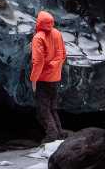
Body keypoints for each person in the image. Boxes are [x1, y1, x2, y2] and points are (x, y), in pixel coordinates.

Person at [30, 10, 66, 142]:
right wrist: (55, 69)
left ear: (39, 22)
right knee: (52, 108)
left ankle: (52, 135)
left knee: (43, 111)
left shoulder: (38, 38)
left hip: (43, 79)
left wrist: (34, 80)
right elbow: (63, 55)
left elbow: (38, 62)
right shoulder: (57, 33)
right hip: (55, 77)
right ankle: (60, 133)